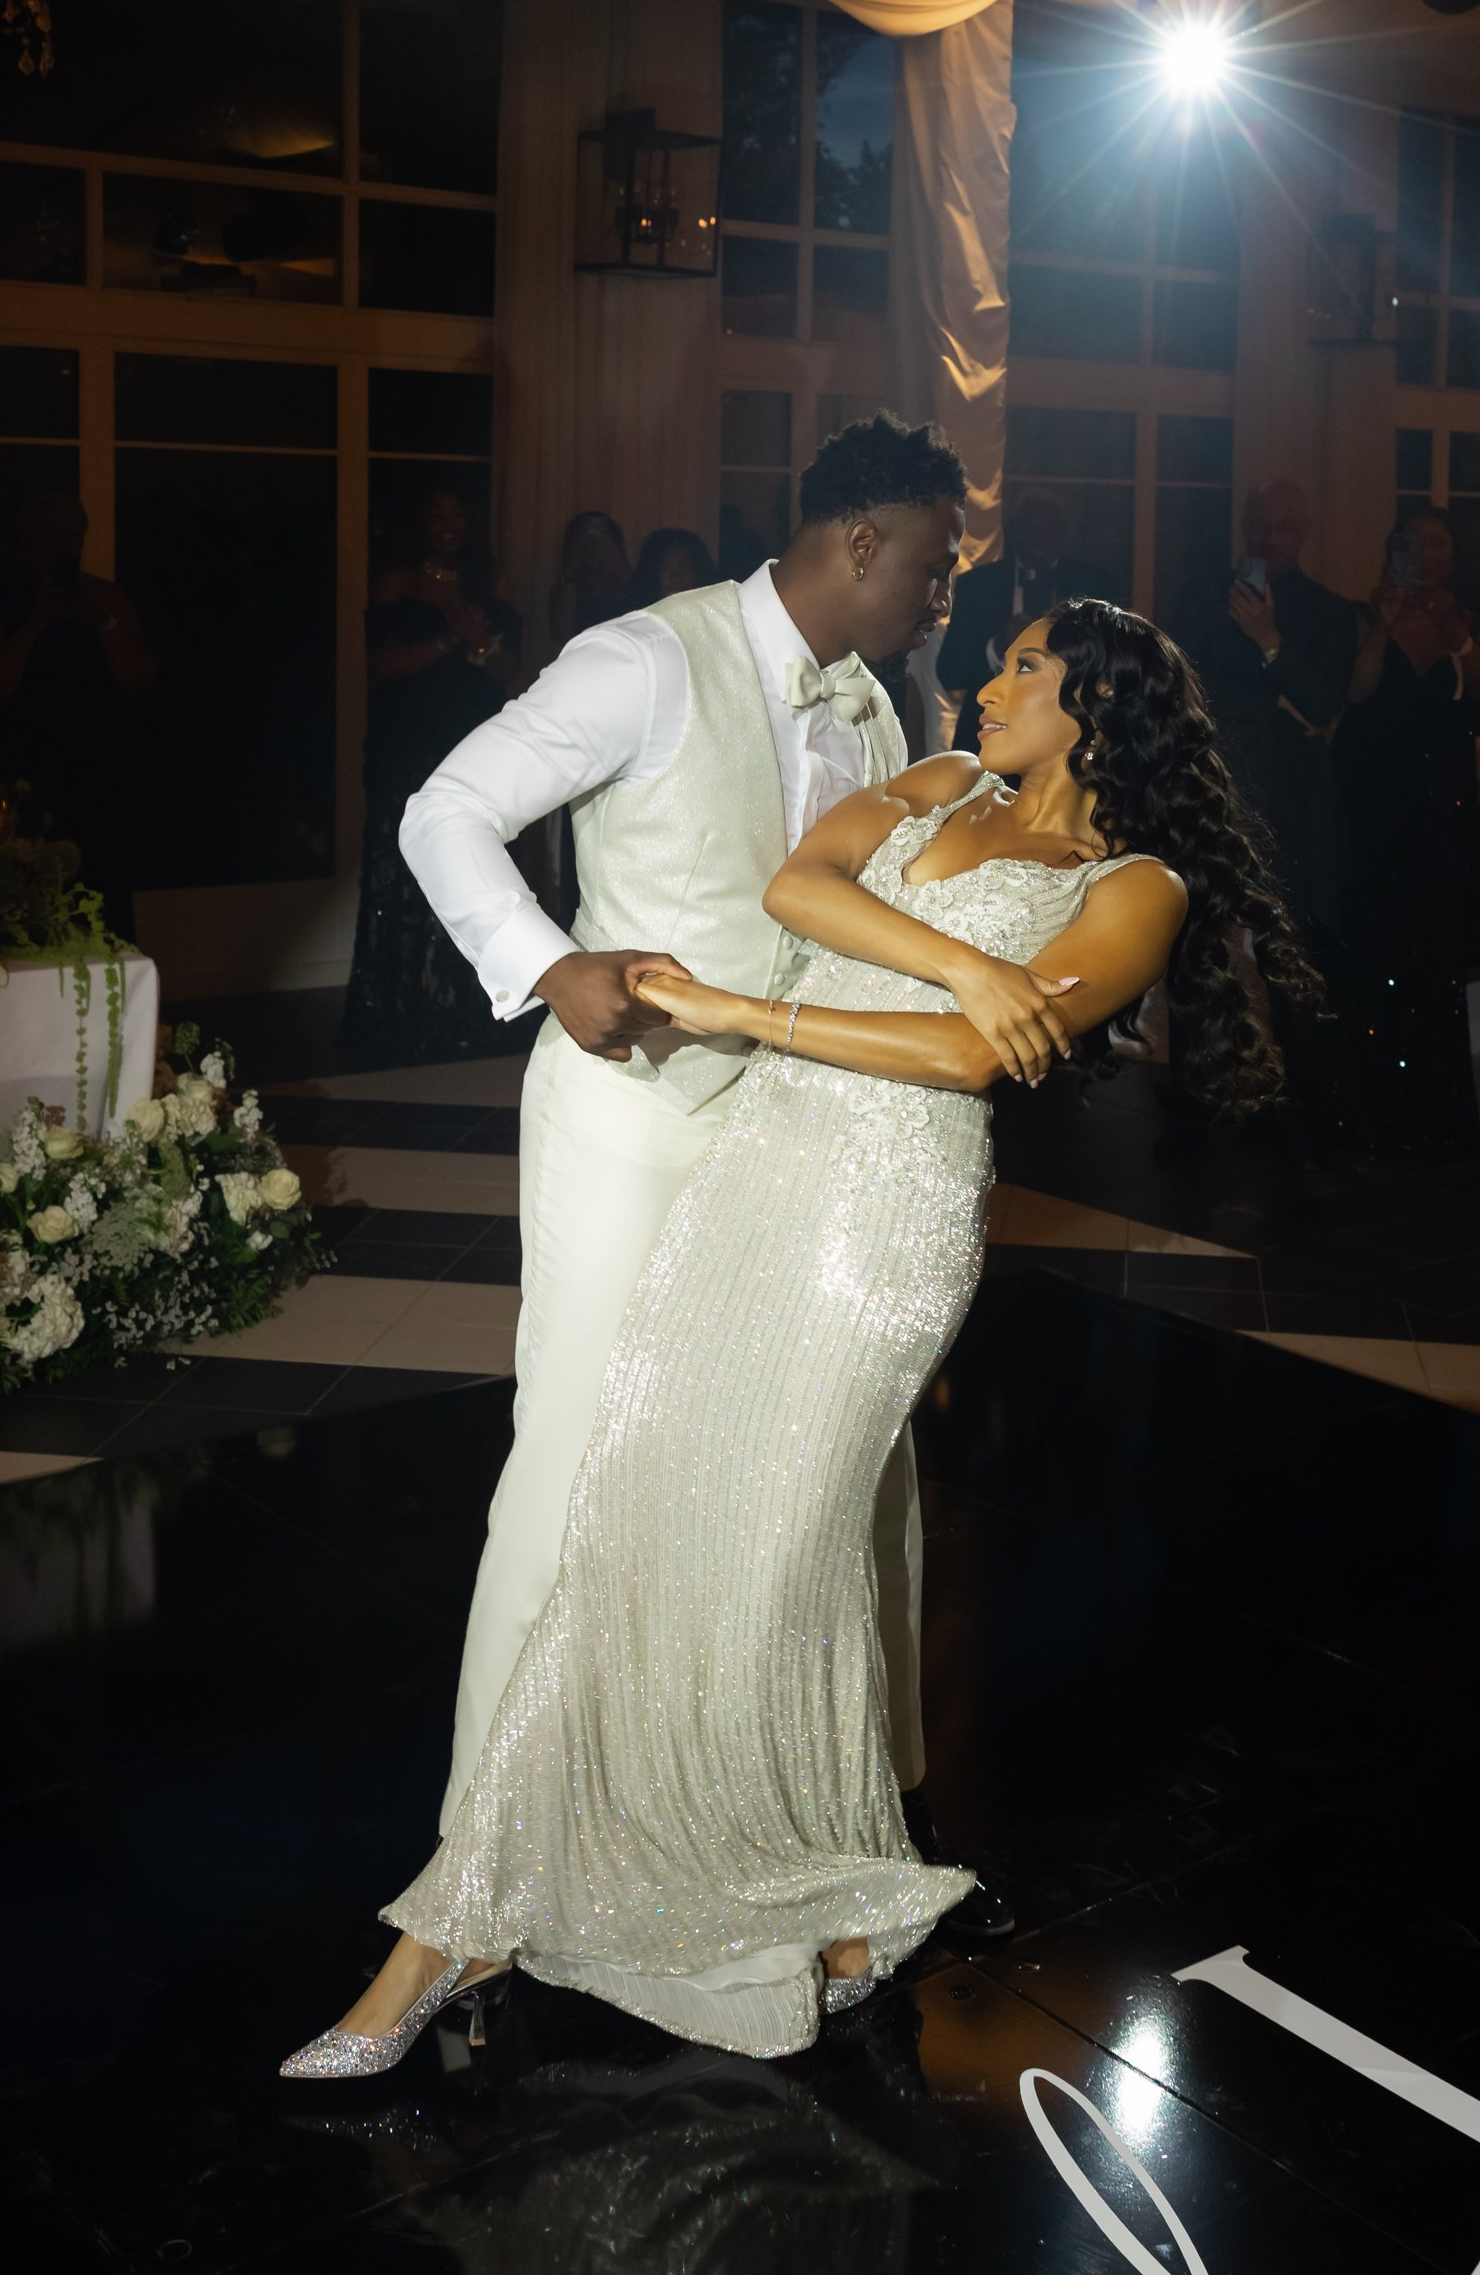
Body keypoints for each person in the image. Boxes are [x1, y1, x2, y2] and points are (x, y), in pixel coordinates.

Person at [283, 600, 1310, 2073]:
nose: (988, 680)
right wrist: (965, 963)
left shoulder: (1134, 885)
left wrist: (755, 1021)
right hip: (754, 1179)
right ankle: (543, 1910)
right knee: (636, 1524)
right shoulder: (945, 784)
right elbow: (798, 890)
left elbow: (967, 1063)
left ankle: (532, 1918)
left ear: (1097, 703)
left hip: (881, 1228)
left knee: (774, 1550)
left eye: (1025, 665)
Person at [390, 414, 1027, 1941]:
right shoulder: (645, 659)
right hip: (632, 1122)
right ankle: (485, 1854)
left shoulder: (883, 708)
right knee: (579, 1458)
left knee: (835, 1462)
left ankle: (848, 1795)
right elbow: (445, 811)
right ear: (861, 543)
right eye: (935, 569)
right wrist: (550, 966)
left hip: (796, 1142)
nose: (943, 603)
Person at [1184, 480, 1358, 1150]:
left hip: (1292, 805)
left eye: (1283, 527)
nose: (1268, 538)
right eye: (1259, 525)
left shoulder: (1326, 610)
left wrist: (1271, 644)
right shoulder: (1206, 595)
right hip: (1217, 794)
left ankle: (1302, 1107)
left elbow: (1320, 704)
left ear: (1303, 534)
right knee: (1202, 952)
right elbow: (1191, 691)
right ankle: (1205, 1099)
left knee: (1291, 956)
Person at [1334, 505, 1480, 1157]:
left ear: (1453, 554)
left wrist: (1455, 631)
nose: (1427, 556)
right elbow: (1356, 692)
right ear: (1391, 550)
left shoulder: (1477, 623)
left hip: (1441, 802)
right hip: (1375, 797)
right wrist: (1383, 620)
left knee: (1434, 944)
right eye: (1414, 544)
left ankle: (1435, 1106)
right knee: (1375, 940)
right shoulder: (1363, 613)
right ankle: (1367, 1104)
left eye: (1439, 544)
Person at [341, 485, 524, 1069]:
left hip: (469, 742)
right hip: (406, 746)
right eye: (436, 514)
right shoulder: (398, 582)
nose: (448, 525)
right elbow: (382, 665)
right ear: (421, 523)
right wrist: (448, 636)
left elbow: (509, 671)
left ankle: (466, 1010)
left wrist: (475, 638)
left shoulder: (488, 582)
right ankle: (398, 1013)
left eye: (457, 513)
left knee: (468, 865)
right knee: (403, 875)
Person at [0, 490, 155, 936]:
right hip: (20, 775)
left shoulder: (104, 597)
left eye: (70, 533)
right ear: (26, 539)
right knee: (18, 905)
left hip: (94, 777)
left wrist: (102, 623)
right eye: (48, 533)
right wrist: (37, 623)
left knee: (99, 899)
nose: (60, 544)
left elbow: (138, 677)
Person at [938, 492, 1105, 748]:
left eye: (1047, 529)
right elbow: (950, 671)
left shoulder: (1093, 584)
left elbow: (1106, 667)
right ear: (1014, 532)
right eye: (1029, 529)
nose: (1038, 539)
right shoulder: (979, 584)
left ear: (1062, 532)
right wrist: (998, 646)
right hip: (988, 738)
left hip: (1066, 739)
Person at [548, 509, 631, 649]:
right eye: (587, 538)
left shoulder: (631, 585)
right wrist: (572, 566)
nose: (594, 545)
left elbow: (643, 606)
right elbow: (563, 635)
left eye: (602, 538)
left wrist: (616, 563)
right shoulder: (566, 586)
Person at [623, 525, 717, 610]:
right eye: (665, 569)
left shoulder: (714, 618)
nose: (676, 577)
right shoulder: (636, 622)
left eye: (686, 568)